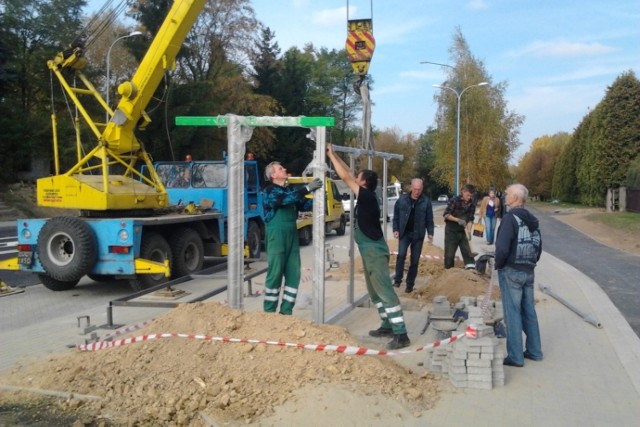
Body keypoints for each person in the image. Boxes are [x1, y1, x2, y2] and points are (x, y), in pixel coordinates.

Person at [326, 144, 410, 350]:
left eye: (359, 177)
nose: (355, 178)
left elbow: (346, 177)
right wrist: (334, 153)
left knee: (385, 291)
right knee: (375, 293)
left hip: (374, 252)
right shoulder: (366, 195)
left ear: (363, 183)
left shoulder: (367, 197)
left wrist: (329, 154)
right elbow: (350, 174)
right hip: (369, 252)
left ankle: (401, 333)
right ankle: (387, 325)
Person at [262, 161, 323, 315]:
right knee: (275, 272)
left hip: (291, 233)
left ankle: (286, 311)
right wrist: (307, 188)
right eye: (280, 168)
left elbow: (304, 204)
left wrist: (320, 196)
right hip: (276, 233)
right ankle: (268, 312)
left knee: (293, 272)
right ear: (273, 175)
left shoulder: (290, 190)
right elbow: (284, 200)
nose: (285, 169)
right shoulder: (270, 190)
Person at [494, 183, 543, 367]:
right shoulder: (533, 220)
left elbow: (502, 247)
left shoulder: (510, 218)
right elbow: (538, 246)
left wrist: (498, 265)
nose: (505, 196)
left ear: (515, 198)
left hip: (512, 271)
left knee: (512, 313)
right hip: (529, 271)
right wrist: (531, 262)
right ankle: (535, 351)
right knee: (529, 311)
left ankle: (515, 356)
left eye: (507, 194)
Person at [392, 178, 435, 293]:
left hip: (418, 235)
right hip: (404, 233)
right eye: (415, 189)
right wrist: (395, 229)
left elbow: (429, 219)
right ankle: (397, 279)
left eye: (419, 189)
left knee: (414, 261)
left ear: (422, 189)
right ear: (411, 188)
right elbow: (396, 216)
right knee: (401, 255)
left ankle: (409, 285)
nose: (417, 192)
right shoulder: (402, 200)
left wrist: (430, 233)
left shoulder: (426, 201)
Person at [443, 184, 477, 269]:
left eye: (471, 196)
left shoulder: (472, 203)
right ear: (463, 192)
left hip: (463, 232)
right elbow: (446, 215)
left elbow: (470, 219)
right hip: (451, 231)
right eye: (467, 195)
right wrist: (458, 220)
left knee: (468, 252)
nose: (469, 197)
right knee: (449, 254)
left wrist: (468, 232)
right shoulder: (455, 200)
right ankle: (449, 271)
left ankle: (470, 271)